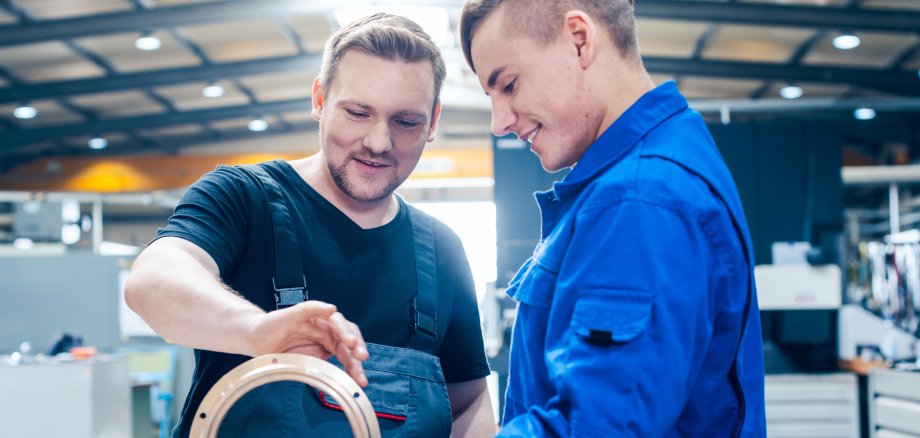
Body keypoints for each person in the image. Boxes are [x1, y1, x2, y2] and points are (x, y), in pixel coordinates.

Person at [125, 13, 495, 437]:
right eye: (358, 113)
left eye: (405, 121)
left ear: (433, 121)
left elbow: (469, 402)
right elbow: (152, 281)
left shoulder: (442, 250)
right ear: (320, 99)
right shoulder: (242, 197)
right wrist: (257, 331)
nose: (378, 142)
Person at [460, 0, 766, 436]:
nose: (498, 122)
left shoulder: (641, 198)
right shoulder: (666, 159)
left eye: (508, 85)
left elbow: (599, 428)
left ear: (579, 40)